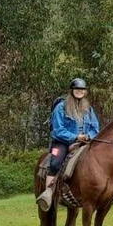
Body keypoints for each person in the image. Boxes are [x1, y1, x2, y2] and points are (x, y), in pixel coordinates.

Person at [37, 78, 100, 211]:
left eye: (82, 89)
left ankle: (112, 190)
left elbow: (95, 128)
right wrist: (75, 137)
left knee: (102, 158)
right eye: (77, 89)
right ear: (72, 90)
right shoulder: (61, 107)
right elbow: (58, 130)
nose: (79, 91)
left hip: (84, 142)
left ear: (85, 92)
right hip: (61, 142)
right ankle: (48, 193)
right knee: (55, 161)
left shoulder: (88, 108)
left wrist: (88, 136)